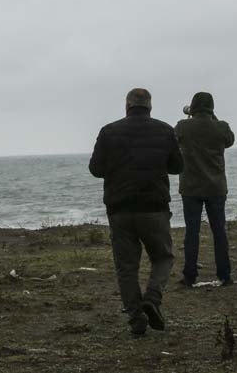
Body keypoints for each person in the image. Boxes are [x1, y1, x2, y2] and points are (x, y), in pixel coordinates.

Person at [89, 88, 184, 336]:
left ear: (127, 106)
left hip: (120, 209)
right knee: (163, 257)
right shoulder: (165, 130)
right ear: (150, 107)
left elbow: (96, 169)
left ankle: (135, 318)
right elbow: (177, 166)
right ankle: (152, 297)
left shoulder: (108, 131)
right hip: (154, 207)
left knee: (127, 267)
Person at [175, 92, 235, 287]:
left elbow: (175, 142)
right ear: (212, 107)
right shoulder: (221, 127)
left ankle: (190, 276)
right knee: (219, 232)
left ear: (193, 107)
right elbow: (230, 140)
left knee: (192, 232)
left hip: (191, 187)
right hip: (216, 187)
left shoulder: (183, 126)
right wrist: (213, 118)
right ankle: (224, 275)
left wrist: (190, 116)